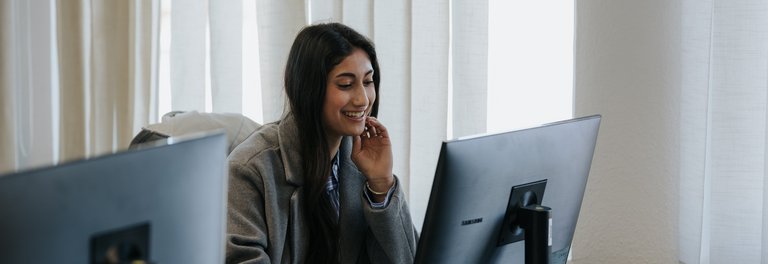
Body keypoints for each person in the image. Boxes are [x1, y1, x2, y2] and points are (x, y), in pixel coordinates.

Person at [226, 23, 417, 264]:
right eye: (346, 85)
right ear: (310, 89)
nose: (362, 99)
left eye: (368, 82)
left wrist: (381, 185)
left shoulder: (360, 161)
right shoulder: (249, 170)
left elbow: (408, 258)